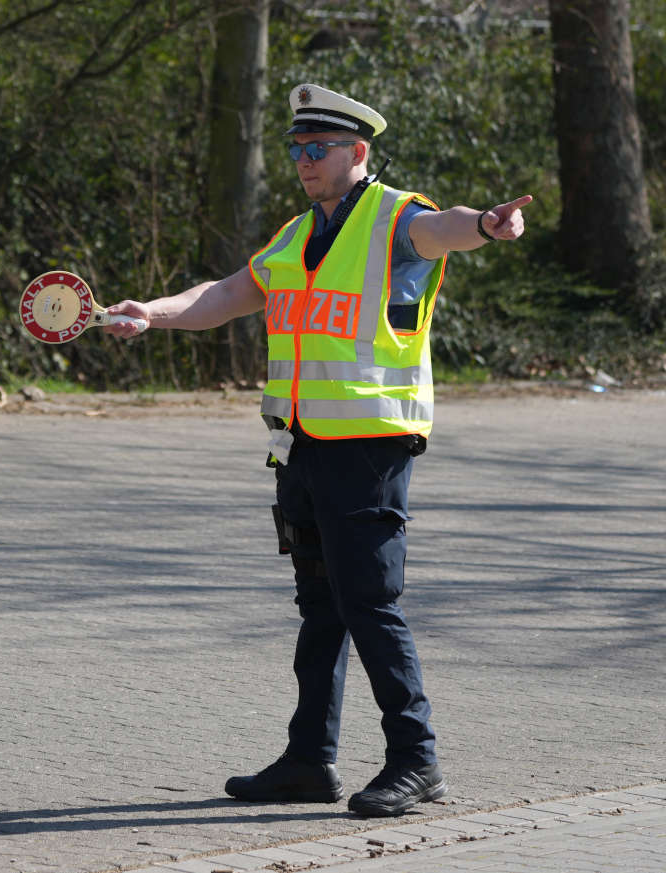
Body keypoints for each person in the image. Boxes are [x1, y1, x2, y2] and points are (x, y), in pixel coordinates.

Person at [104, 83, 531, 817]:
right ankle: (310, 759)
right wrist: (154, 312)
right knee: (320, 608)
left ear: (356, 153)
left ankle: (416, 758)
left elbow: (446, 229)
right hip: (299, 446)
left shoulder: (395, 218)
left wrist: (488, 226)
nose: (302, 160)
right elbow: (231, 292)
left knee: (371, 603)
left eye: (317, 148)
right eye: (296, 148)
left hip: (368, 447)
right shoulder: (297, 233)